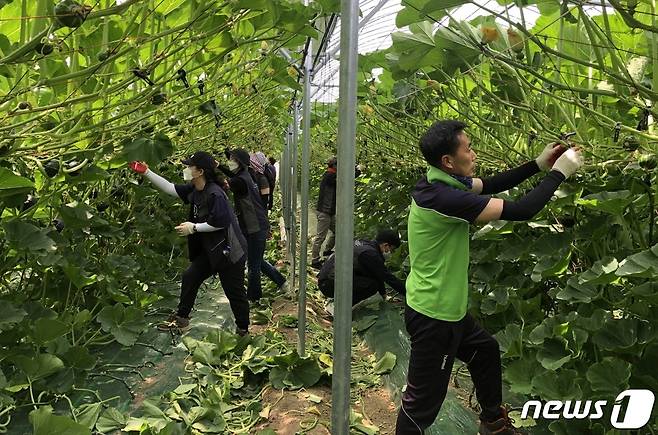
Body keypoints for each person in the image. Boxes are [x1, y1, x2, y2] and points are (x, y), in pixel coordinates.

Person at [396, 120, 584, 435]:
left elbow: (491, 184)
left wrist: (537, 165)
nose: (474, 153)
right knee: (421, 406)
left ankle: (493, 422)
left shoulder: (442, 182)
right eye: (468, 148)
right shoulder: (444, 199)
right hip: (434, 316)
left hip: (445, 309)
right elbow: (524, 210)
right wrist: (560, 172)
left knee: (485, 351)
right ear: (448, 161)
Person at [128, 152, 250, 335]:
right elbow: (170, 188)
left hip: (229, 251)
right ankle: (182, 318)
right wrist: (147, 172)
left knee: (234, 293)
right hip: (212, 250)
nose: (186, 169)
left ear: (200, 171)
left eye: (189, 166)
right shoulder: (195, 188)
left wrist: (194, 227)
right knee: (190, 276)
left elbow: (220, 222)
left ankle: (243, 329)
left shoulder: (215, 193)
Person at [217, 148, 286, 301]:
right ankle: (282, 282)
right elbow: (233, 178)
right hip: (256, 225)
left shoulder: (240, 180)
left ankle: (253, 298)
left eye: (233, 160)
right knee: (256, 260)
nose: (230, 162)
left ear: (240, 163)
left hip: (254, 227)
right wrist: (219, 166)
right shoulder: (248, 175)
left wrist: (211, 170)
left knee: (253, 267)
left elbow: (228, 182)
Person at [317, 229, 406, 312]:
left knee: (370, 280)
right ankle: (339, 308)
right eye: (392, 249)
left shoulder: (363, 243)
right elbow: (388, 278)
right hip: (328, 284)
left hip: (326, 278)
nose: (391, 252)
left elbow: (378, 275)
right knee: (371, 286)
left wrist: (384, 296)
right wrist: (408, 294)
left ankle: (337, 300)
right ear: (386, 245)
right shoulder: (371, 255)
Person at [310, 156, 337, 269]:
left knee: (338, 231)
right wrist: (358, 170)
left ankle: (327, 251)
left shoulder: (330, 175)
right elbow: (346, 178)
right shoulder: (330, 176)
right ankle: (315, 260)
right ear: (334, 166)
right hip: (325, 212)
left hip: (329, 211)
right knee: (320, 236)